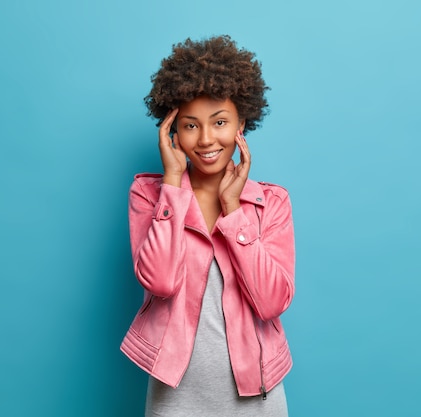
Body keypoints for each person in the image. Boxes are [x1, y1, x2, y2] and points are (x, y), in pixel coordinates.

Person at [120, 35, 296, 417]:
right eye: (189, 125)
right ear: (172, 130)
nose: (205, 140)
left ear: (241, 123)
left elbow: (271, 303)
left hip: (258, 397)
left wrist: (233, 213)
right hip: (176, 396)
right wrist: (171, 185)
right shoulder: (149, 195)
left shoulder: (271, 203)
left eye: (219, 122)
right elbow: (161, 282)